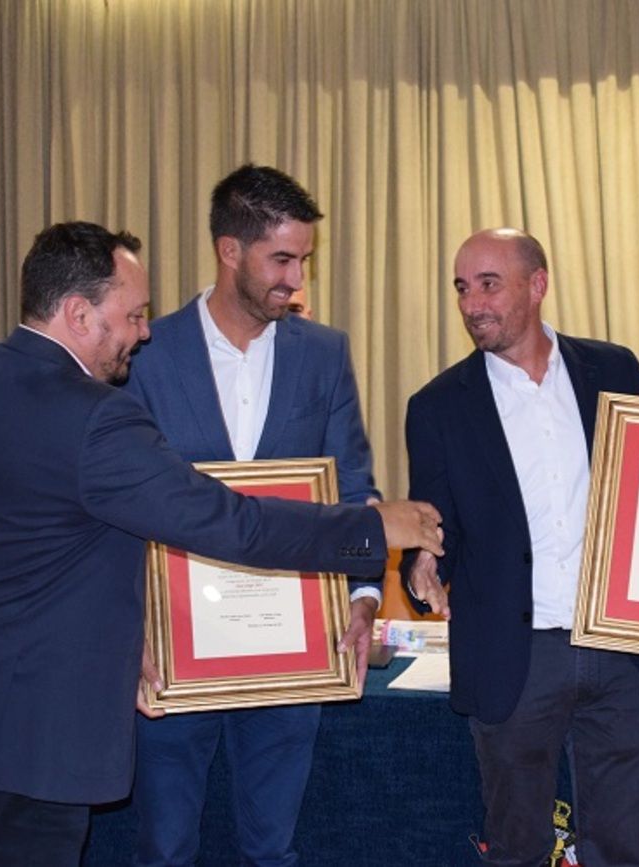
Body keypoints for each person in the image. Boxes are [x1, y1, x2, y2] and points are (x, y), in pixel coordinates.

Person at [0, 221, 443, 865]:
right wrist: (372, 528)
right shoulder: (95, 418)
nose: (145, 333)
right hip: (24, 748)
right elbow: (231, 524)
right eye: (134, 315)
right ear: (78, 313)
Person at [401, 228, 639, 867]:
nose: (473, 303)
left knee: (621, 848)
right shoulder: (438, 406)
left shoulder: (615, 369)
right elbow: (432, 524)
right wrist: (423, 564)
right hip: (514, 658)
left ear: (538, 285)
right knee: (516, 848)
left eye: (489, 284)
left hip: (621, 652)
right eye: (462, 288)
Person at [124, 164, 384, 866]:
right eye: (282, 259)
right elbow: (113, 503)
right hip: (171, 647)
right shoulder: (144, 352)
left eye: (303, 259)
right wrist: (126, 626)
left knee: (273, 848)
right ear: (229, 250)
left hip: (291, 639)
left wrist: (362, 596)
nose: (297, 279)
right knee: (166, 848)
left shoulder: (323, 353)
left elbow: (350, 482)